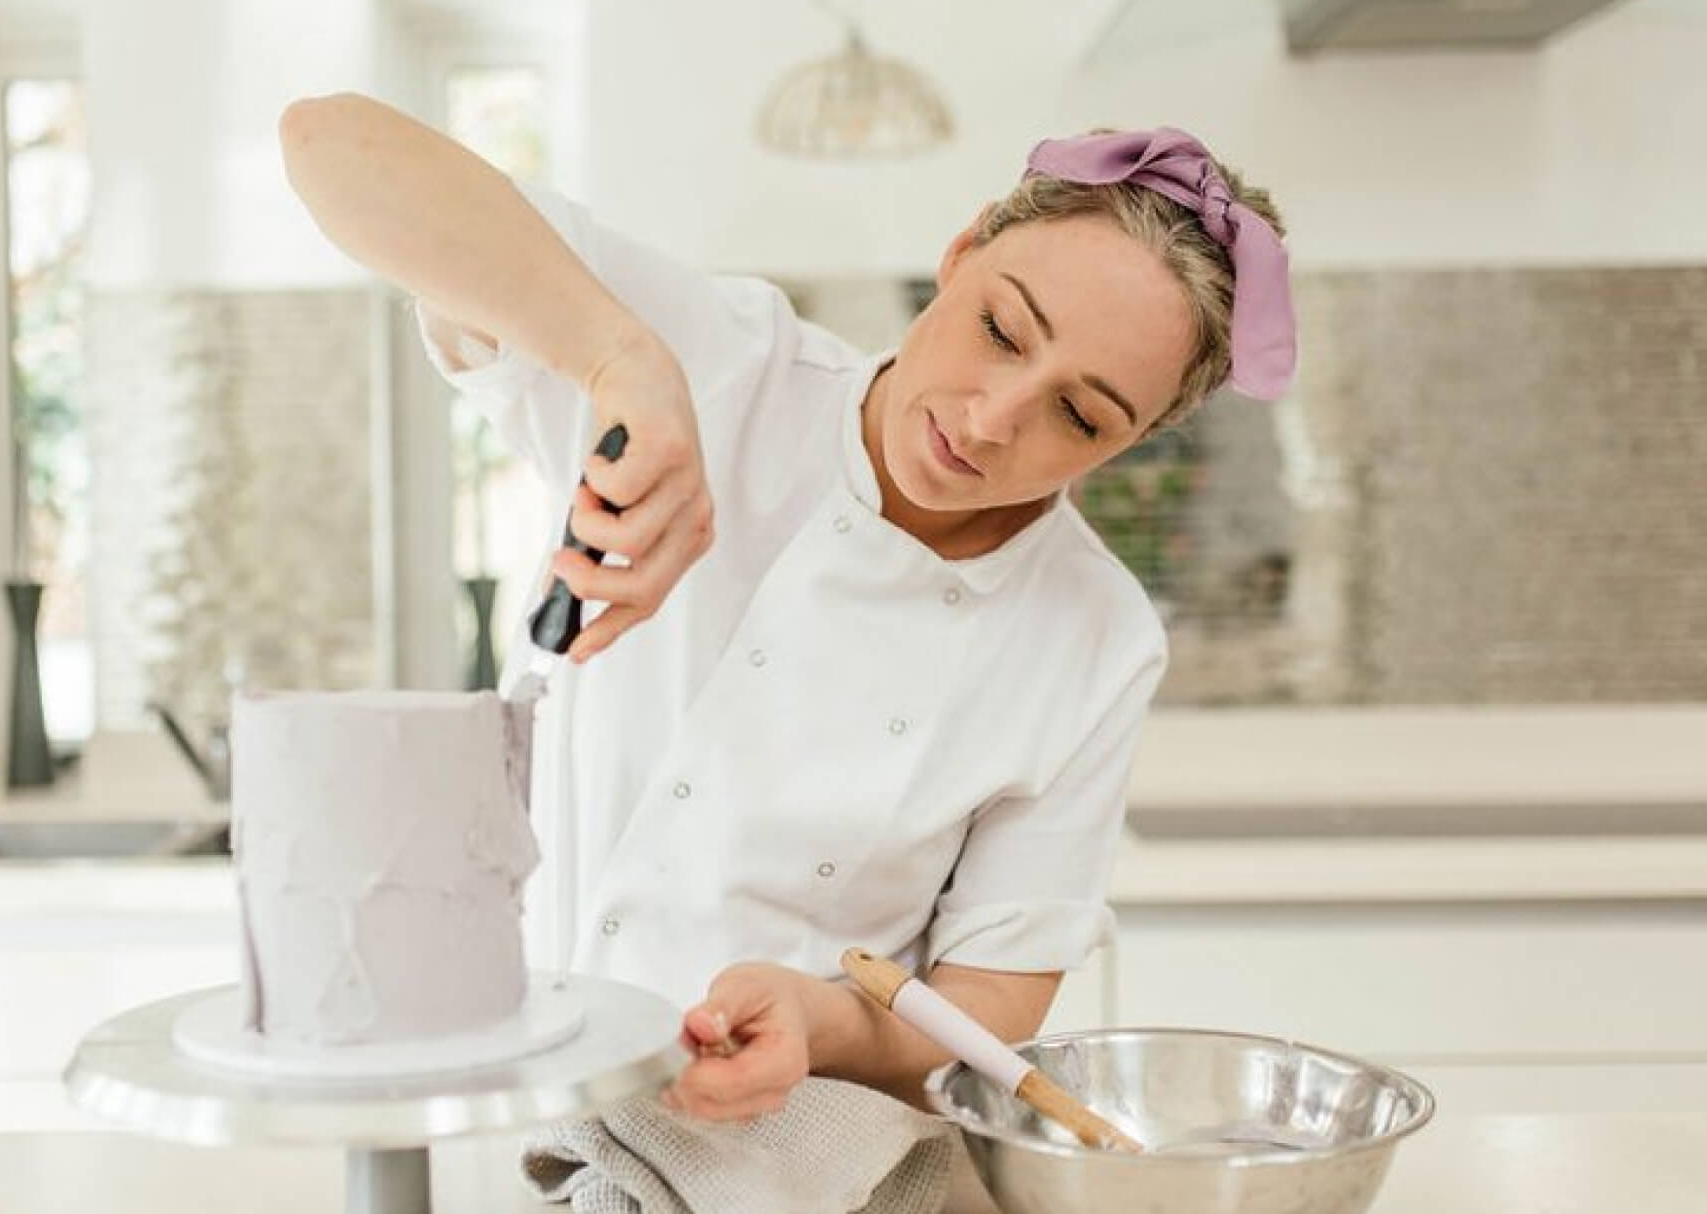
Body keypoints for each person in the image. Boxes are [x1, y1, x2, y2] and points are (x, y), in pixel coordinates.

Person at [280, 93, 1293, 1124]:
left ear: (1131, 440)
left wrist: (821, 1020)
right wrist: (622, 366)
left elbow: (984, 1008)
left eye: (1078, 414)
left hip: (782, 1146)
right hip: (505, 1088)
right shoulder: (721, 360)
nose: (990, 421)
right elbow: (328, 143)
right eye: (997, 328)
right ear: (958, 252)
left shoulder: (1094, 637)